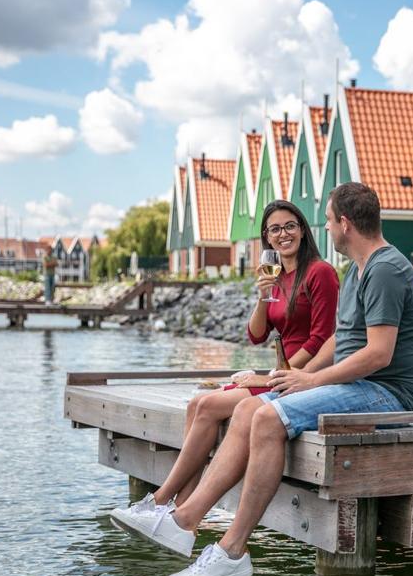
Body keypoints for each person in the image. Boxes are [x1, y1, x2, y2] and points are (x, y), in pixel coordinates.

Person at [113, 182, 413, 576]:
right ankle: (184, 520)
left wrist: (311, 378)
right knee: (247, 408)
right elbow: (341, 340)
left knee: (266, 418)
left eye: (330, 221)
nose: (328, 229)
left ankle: (231, 552)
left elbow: (378, 354)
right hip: (361, 383)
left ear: (345, 224)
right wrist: (298, 378)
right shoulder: (358, 269)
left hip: (387, 394)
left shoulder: (385, 269)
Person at [110, 200, 338, 522]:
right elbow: (256, 335)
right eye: (275, 229)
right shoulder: (278, 278)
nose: (283, 234)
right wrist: (262, 298)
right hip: (281, 372)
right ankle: (180, 509)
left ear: (302, 229)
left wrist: (273, 377)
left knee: (207, 407)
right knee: (197, 404)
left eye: (290, 226)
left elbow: (321, 339)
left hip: (303, 377)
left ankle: (161, 499)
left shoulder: (320, 273)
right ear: (267, 238)